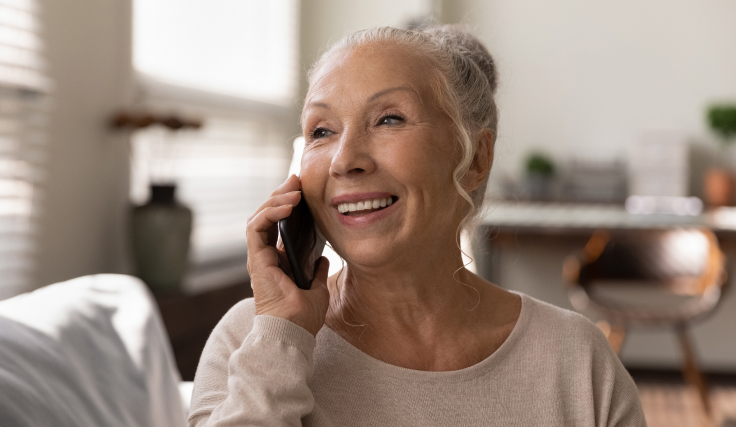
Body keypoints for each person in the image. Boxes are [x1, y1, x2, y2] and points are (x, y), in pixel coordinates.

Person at [188, 25, 646, 426]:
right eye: (321, 131)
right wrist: (282, 338)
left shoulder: (578, 363)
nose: (345, 161)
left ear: (475, 159)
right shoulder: (252, 338)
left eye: (389, 119)